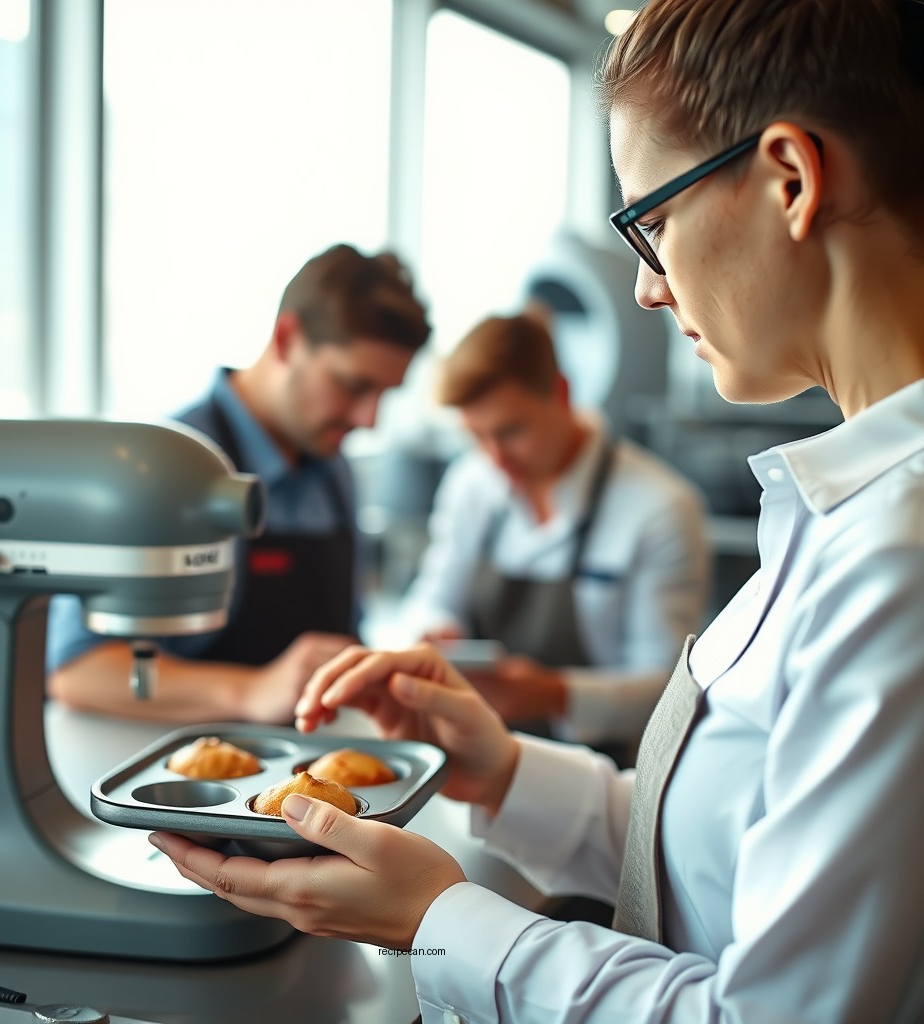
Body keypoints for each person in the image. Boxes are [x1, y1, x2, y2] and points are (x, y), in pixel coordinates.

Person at [149, 1, 924, 1021]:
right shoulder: (833, 507)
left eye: (650, 221)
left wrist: (443, 918)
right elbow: (730, 850)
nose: (648, 289)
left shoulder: (892, 554)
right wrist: (502, 767)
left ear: (790, 177)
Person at [46, 243, 431, 723]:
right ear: (288, 339)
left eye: (384, 395)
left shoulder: (335, 473)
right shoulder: (163, 468)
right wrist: (249, 691)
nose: (369, 419)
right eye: (353, 386)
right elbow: (78, 670)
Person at [401, 312, 710, 757]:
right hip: (477, 751)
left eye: (511, 431)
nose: (495, 459)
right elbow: (432, 598)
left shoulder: (661, 507)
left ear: (561, 393)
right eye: (476, 436)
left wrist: (554, 694)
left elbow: (666, 688)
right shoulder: (472, 482)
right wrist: (436, 630)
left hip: (605, 771)